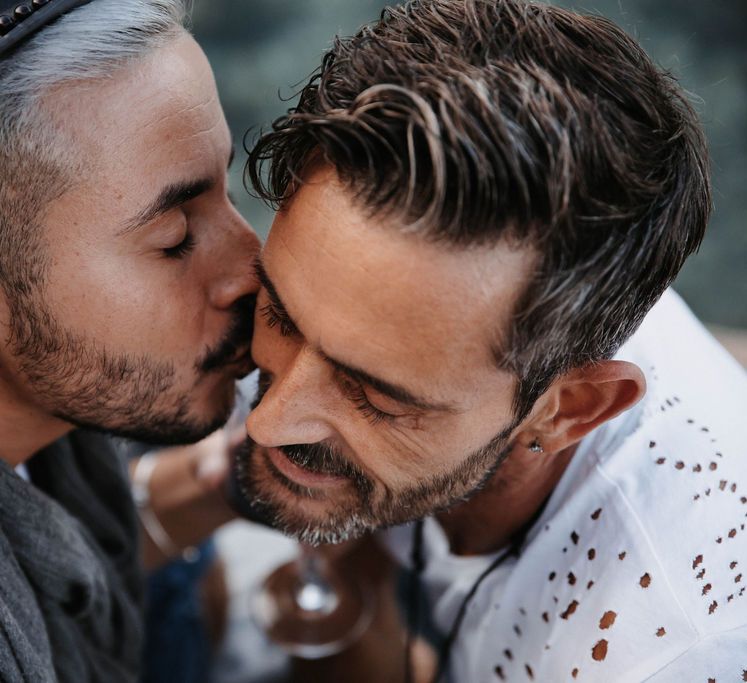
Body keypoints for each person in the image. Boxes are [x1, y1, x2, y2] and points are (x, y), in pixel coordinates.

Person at [232, 0, 747, 679]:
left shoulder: (663, 650)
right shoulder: (475, 333)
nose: (266, 422)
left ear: (567, 410)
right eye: (280, 314)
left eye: (375, 395)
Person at [0, 1, 260, 681]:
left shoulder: (60, 444)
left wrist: (229, 482)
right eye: (174, 237)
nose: (252, 271)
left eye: (227, 189)